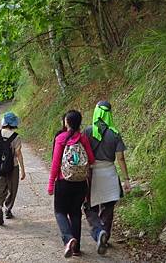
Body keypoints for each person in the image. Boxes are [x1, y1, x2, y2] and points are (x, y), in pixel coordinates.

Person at [83, 100, 130, 255]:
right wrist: (126, 179)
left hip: (92, 174)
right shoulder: (115, 134)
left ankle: (98, 231)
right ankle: (105, 233)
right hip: (109, 173)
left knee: (90, 207)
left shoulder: (88, 131)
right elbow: (120, 158)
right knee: (109, 207)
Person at [48, 110, 95, 258]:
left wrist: (51, 184)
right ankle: (76, 249)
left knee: (60, 212)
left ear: (66, 122)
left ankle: (68, 239)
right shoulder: (83, 138)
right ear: (79, 123)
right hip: (80, 183)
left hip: (64, 182)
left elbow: (56, 163)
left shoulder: (61, 138)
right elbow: (91, 160)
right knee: (75, 213)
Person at [0, 111, 26, 225]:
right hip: (12, 167)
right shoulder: (16, 137)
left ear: (4, 122)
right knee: (12, 188)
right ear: (14, 123)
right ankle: (8, 209)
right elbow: (18, 153)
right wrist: (23, 170)